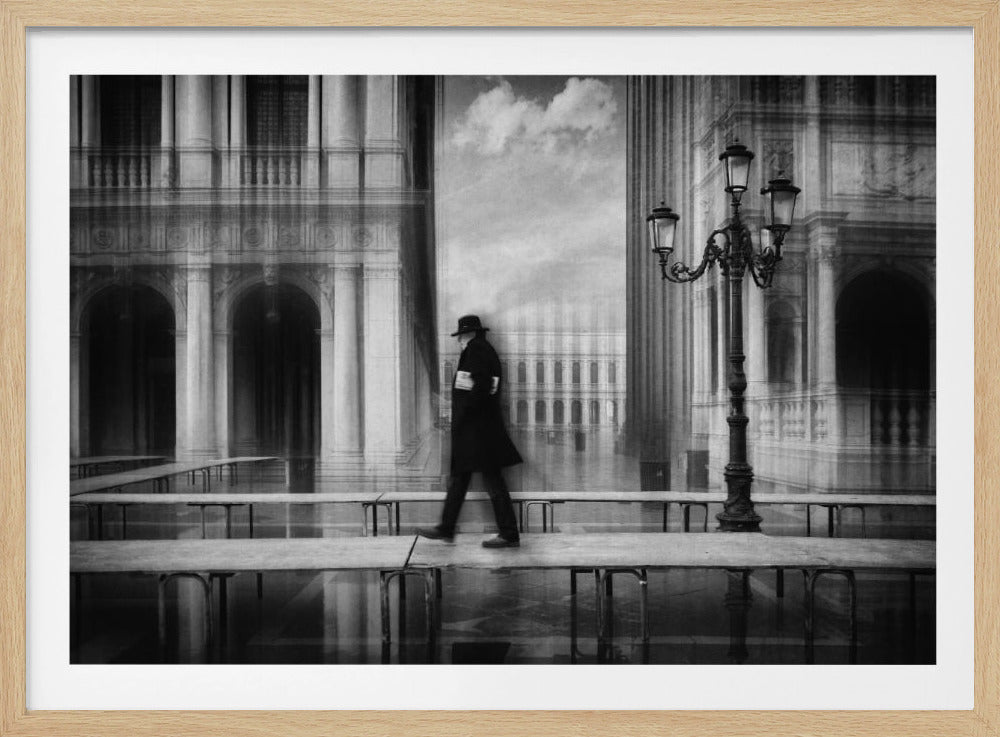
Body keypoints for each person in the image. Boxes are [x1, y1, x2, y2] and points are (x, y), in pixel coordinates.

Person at [419, 314, 523, 548]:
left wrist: (467, 412)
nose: (459, 341)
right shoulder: (482, 349)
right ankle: (447, 527)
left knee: (490, 482)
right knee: (462, 479)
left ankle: (508, 533)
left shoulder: (476, 350)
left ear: (469, 334)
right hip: (477, 430)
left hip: (478, 431)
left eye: (461, 336)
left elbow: (482, 385)